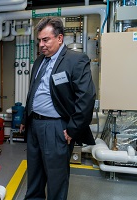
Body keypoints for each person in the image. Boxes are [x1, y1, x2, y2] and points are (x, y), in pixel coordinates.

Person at [20, 17, 96, 200]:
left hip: (56, 128)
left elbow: (86, 97)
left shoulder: (75, 60)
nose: (41, 45)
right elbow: (33, 93)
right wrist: (25, 119)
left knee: (56, 178)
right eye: (39, 40)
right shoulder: (39, 62)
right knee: (35, 176)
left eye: (46, 40)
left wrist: (73, 128)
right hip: (35, 126)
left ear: (60, 38)